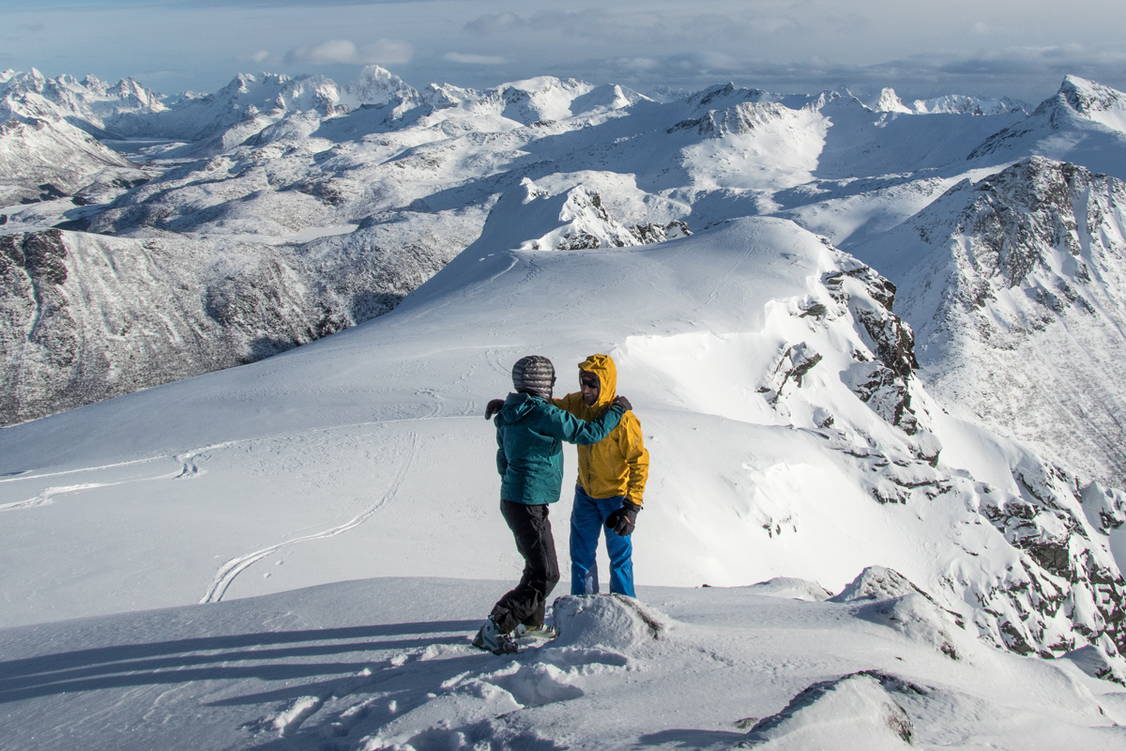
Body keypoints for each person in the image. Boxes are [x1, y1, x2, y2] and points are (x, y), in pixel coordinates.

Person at [473, 354, 633, 655]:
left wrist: (517, 480)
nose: (554, 385)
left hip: (517, 498)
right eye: (551, 380)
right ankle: (496, 626)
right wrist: (617, 410)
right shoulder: (540, 413)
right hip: (528, 499)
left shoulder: (512, 411)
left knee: (537, 566)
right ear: (542, 383)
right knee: (546, 574)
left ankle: (530, 625)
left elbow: (502, 458)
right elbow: (588, 434)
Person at [551, 354, 649, 597]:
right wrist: (517, 403)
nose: (585, 389)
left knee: (620, 559)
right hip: (585, 493)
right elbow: (551, 408)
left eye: (592, 384)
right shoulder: (578, 405)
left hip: (615, 497)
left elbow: (639, 460)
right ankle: (583, 609)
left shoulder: (624, 420)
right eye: (583, 382)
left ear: (604, 383)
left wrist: (632, 507)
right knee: (581, 556)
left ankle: (625, 609)